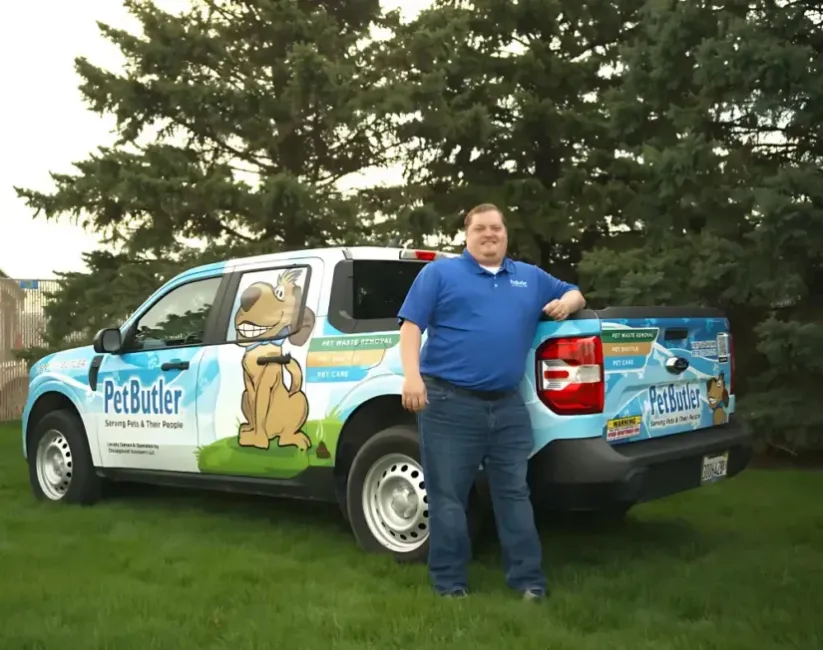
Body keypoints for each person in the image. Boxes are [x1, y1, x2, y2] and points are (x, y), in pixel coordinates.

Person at [397, 203, 586, 601]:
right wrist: (412, 377)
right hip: (448, 402)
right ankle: (449, 584)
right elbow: (412, 325)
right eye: (480, 228)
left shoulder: (528, 277)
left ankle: (529, 582)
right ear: (467, 235)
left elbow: (574, 292)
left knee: (513, 493)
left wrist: (568, 303)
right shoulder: (439, 273)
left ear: (505, 234)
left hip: (507, 405)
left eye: (496, 228)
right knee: (449, 497)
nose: (489, 234)